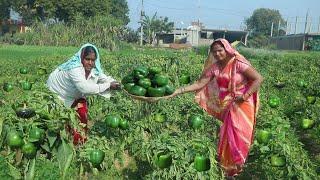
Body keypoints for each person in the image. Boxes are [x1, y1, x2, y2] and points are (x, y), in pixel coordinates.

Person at [168, 38, 263, 178]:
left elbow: (258, 78)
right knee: (227, 135)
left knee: (240, 135)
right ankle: (228, 168)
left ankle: (238, 165)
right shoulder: (215, 67)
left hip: (242, 104)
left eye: (220, 50)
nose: (217, 54)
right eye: (214, 52)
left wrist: (245, 95)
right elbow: (199, 84)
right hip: (227, 104)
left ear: (227, 49)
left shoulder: (238, 64)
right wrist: (178, 90)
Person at [47, 43, 120, 145]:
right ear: (81, 58)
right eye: (87, 59)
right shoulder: (74, 69)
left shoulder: (93, 69)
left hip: (75, 95)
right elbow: (84, 88)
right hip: (58, 93)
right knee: (60, 121)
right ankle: (61, 143)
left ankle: (79, 142)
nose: (90, 63)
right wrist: (108, 85)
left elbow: (105, 78)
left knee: (82, 114)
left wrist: (118, 84)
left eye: (93, 60)